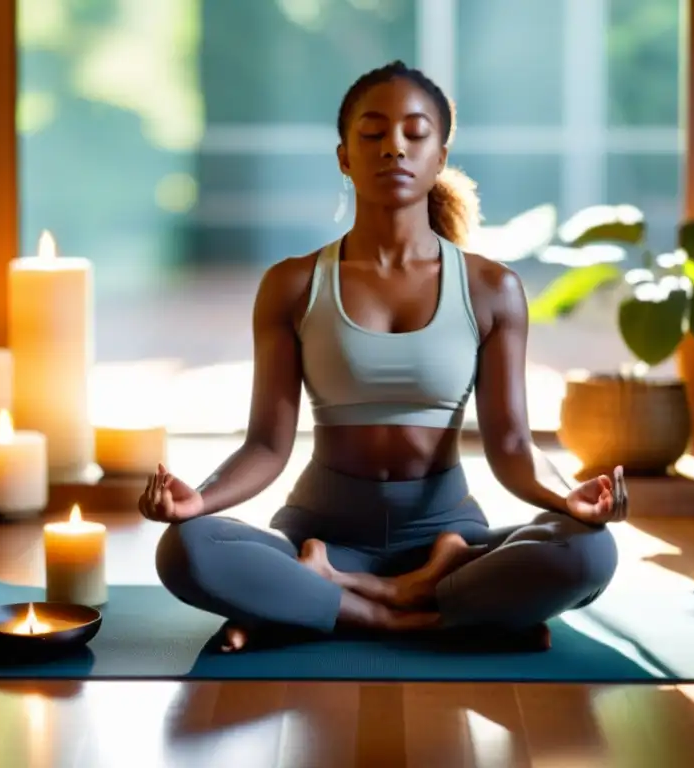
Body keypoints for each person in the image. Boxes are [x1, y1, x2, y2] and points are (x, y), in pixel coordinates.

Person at [139, 61, 626, 653]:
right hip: (320, 532)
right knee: (187, 549)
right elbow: (267, 445)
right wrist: (201, 500)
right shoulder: (292, 284)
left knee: (590, 550)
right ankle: (425, 611)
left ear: (439, 157)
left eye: (415, 134)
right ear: (345, 156)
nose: (394, 148)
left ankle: (321, 602)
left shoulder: (491, 289)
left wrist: (564, 499)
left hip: (448, 536)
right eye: (372, 134)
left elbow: (513, 446)